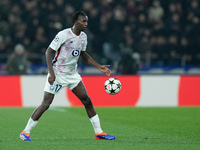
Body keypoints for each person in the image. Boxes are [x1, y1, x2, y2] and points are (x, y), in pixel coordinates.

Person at [20, 11, 115, 141]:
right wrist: (51, 73)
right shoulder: (63, 34)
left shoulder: (83, 37)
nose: (85, 23)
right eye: (83, 21)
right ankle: (25, 132)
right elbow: (49, 52)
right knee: (46, 103)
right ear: (75, 21)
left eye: (86, 21)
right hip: (58, 73)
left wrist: (98, 66)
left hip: (72, 74)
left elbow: (83, 54)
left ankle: (99, 132)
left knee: (86, 100)